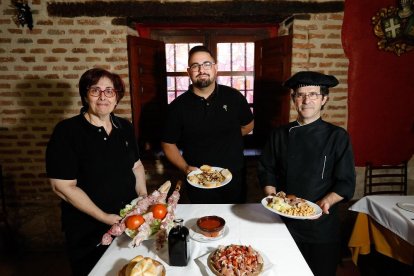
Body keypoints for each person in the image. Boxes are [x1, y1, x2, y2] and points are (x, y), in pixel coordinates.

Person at [46, 68, 147, 276]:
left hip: (128, 221)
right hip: (87, 230)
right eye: (95, 90)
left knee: (130, 269)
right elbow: (63, 187)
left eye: (109, 91)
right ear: (85, 95)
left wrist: (143, 197)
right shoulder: (67, 132)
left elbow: (136, 165)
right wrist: (104, 217)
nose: (103, 96)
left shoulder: (124, 126)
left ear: (117, 97)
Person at [257, 71, 355, 276]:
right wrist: (272, 196)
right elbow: (267, 169)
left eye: (313, 94)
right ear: (294, 99)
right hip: (283, 223)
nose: (306, 100)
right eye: (300, 94)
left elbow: (346, 183)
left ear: (324, 99)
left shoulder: (337, 137)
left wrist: (325, 202)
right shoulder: (279, 134)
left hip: (321, 228)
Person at [161, 46, 254, 203]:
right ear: (189, 71)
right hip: (198, 179)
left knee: (235, 222)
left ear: (215, 68)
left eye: (206, 64)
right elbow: (168, 143)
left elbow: (248, 125)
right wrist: (184, 168)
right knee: (202, 223)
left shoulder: (234, 97)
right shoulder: (177, 106)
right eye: (195, 66)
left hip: (234, 177)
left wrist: (227, 137)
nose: (201, 69)